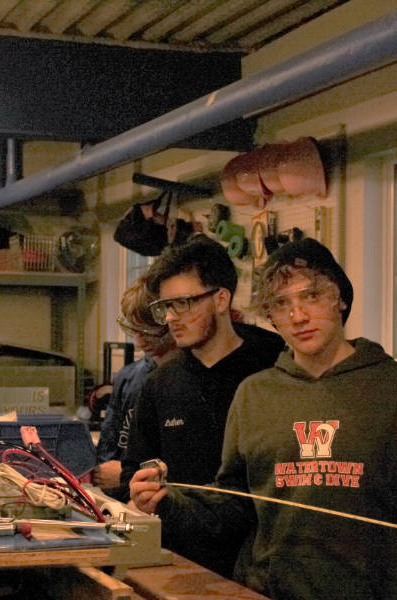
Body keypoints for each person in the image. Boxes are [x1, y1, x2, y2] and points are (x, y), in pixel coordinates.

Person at [130, 237, 397, 599]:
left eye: (310, 296)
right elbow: (234, 503)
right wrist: (169, 503)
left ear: (340, 297)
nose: (298, 316)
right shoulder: (254, 395)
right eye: (282, 304)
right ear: (271, 316)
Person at [120, 234, 283, 575]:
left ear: (221, 299)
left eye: (184, 303)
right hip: (184, 564)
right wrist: (140, 493)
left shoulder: (275, 367)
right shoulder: (159, 386)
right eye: (165, 306)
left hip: (264, 565)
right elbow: (133, 471)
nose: (170, 318)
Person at [93, 276, 178, 500]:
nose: (139, 342)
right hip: (121, 500)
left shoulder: (185, 381)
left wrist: (124, 475)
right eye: (135, 331)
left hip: (160, 500)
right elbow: (109, 443)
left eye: (147, 332)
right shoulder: (128, 377)